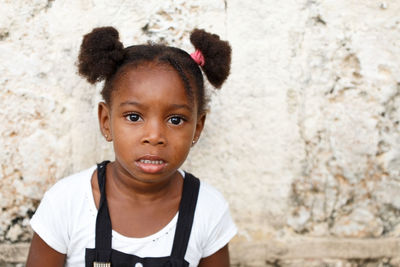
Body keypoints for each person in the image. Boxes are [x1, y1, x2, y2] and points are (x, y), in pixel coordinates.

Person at [26, 26, 236, 267]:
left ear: (197, 128)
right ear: (106, 121)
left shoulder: (208, 210)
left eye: (175, 120)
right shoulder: (66, 203)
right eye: (134, 117)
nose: (154, 136)